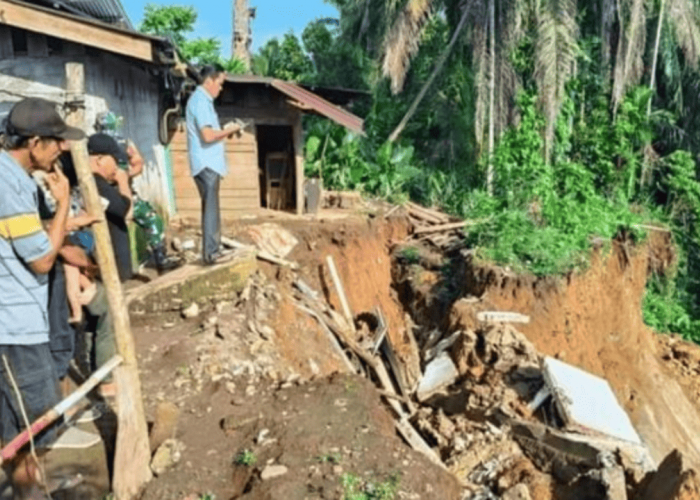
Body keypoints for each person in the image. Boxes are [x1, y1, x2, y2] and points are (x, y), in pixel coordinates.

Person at [0, 97, 83, 499]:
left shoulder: (14, 180)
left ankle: (30, 490)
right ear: (34, 142)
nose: (62, 148)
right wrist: (65, 203)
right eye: (56, 141)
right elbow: (43, 260)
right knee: (27, 429)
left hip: (16, 325)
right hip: (13, 331)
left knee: (18, 433)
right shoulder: (7, 183)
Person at [185, 64, 242, 265]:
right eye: (220, 83)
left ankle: (214, 249)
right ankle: (211, 253)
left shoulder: (203, 101)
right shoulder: (200, 101)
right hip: (206, 163)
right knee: (210, 208)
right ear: (209, 81)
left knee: (212, 207)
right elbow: (208, 136)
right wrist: (229, 129)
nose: (221, 88)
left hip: (208, 163)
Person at [87, 133, 133, 282]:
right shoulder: (96, 183)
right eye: (114, 160)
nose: (116, 166)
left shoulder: (99, 183)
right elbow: (124, 211)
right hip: (109, 265)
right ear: (100, 160)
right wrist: (123, 182)